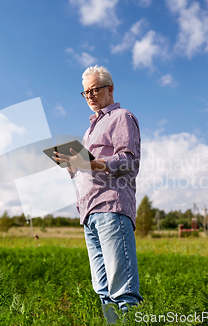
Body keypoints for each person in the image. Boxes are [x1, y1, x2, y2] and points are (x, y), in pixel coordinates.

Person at [53, 65, 143, 324]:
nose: (89, 96)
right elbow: (86, 169)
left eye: (94, 90)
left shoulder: (122, 117)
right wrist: (72, 165)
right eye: (85, 92)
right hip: (89, 213)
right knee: (103, 290)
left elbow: (128, 162)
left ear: (110, 89)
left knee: (122, 289)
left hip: (111, 207)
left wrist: (92, 163)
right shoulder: (89, 130)